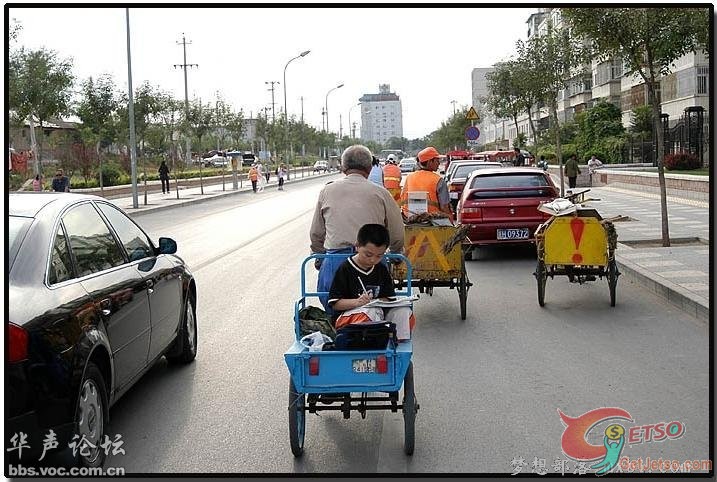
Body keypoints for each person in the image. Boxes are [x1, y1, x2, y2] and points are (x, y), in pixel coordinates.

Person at [310, 144, 405, 312]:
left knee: (332, 307)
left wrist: (319, 255)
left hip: (335, 262)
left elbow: (316, 233)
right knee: (378, 310)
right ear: (369, 168)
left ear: (343, 167)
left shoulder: (327, 191)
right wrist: (396, 254)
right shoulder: (381, 193)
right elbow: (397, 233)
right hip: (373, 264)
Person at [329, 223, 415, 341]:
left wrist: (376, 301)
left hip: (377, 314)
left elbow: (388, 298)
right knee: (370, 312)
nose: (373, 259)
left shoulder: (381, 269)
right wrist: (357, 302)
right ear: (357, 246)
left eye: (380, 255)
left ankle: (397, 350)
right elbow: (335, 303)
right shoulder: (345, 269)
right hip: (349, 319)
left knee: (403, 311)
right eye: (368, 254)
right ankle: (374, 347)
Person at [400, 146, 453, 222]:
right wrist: (450, 221)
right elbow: (445, 207)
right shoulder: (438, 180)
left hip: (410, 220)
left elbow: (403, 199)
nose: (439, 163)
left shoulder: (409, 177)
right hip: (433, 222)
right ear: (429, 162)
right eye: (437, 160)